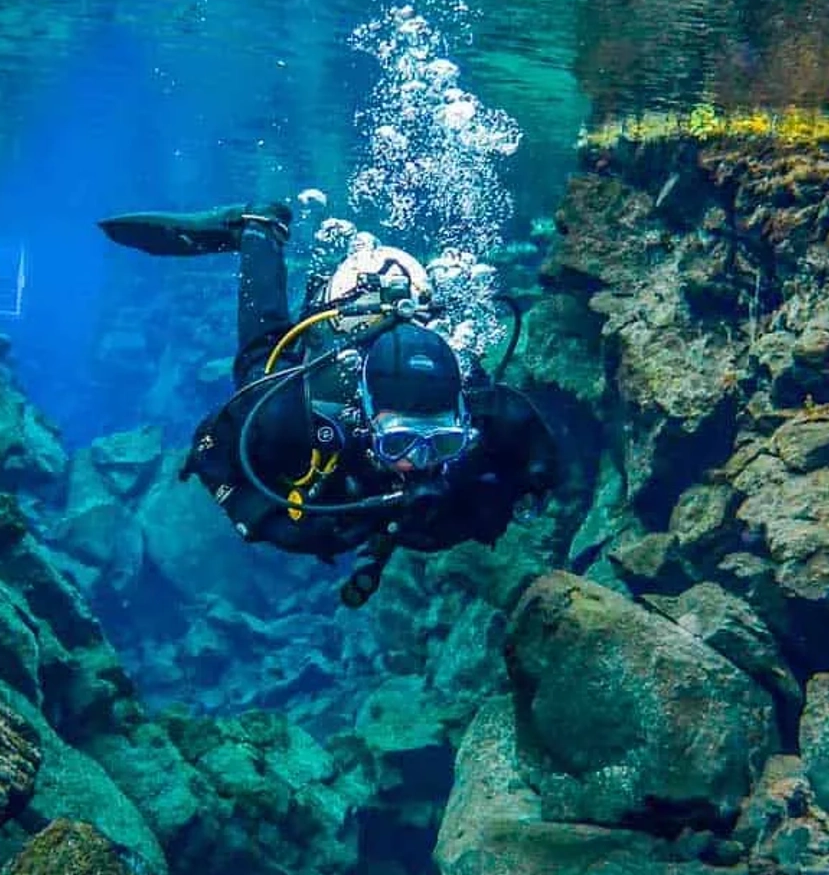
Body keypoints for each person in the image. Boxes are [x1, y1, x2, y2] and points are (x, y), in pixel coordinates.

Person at [98, 201, 558, 607]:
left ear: (462, 423)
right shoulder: (294, 414)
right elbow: (210, 446)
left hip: (406, 318)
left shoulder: (480, 405)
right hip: (336, 334)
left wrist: (533, 483)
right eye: (399, 442)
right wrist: (260, 519)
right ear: (365, 421)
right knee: (261, 362)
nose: (420, 462)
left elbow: (526, 430)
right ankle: (258, 230)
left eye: (442, 442)